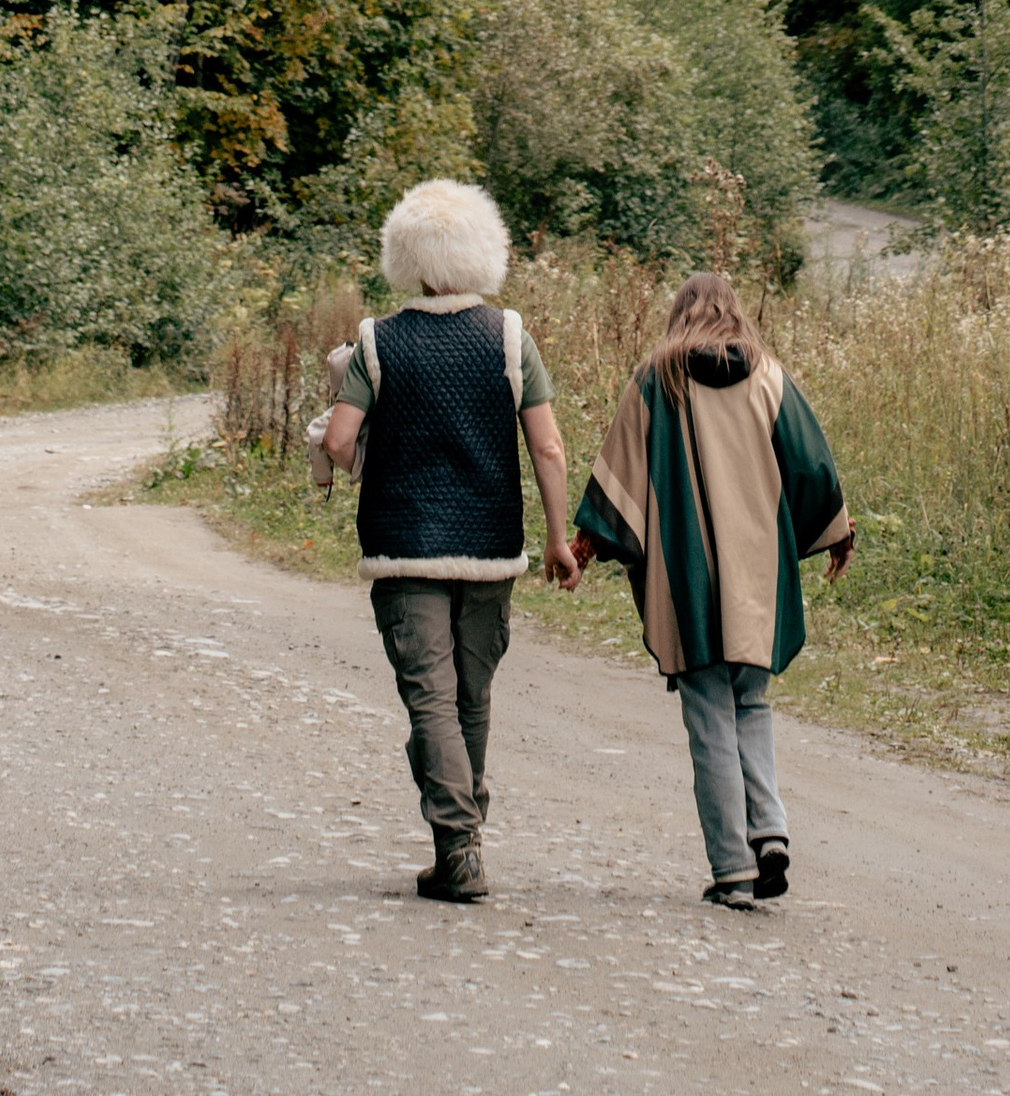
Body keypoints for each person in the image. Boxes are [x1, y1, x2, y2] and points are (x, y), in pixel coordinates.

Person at [320, 177, 579, 906]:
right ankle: (465, 839)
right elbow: (548, 447)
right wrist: (557, 539)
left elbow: (338, 441)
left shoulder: (378, 340)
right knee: (471, 697)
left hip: (403, 546)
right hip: (490, 546)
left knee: (429, 698)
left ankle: (457, 847)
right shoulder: (510, 337)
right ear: (482, 254)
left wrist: (370, 452)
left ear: (408, 258)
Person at [572, 269, 852, 910]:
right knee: (750, 703)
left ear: (680, 314)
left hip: (688, 577)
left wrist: (585, 544)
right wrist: (837, 532)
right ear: (734, 312)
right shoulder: (768, 377)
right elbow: (811, 465)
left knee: (708, 716)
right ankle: (770, 831)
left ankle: (732, 870)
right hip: (758, 576)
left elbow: (620, 473)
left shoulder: (657, 378)